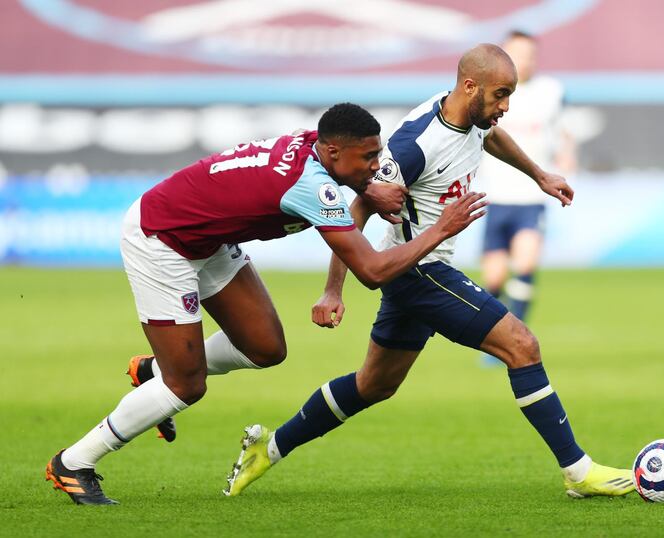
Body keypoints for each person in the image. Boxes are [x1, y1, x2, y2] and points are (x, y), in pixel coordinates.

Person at [223, 45, 634, 499]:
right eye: (501, 95)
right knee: (521, 345)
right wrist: (333, 290)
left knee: (373, 385)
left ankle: (269, 449)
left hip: (414, 270)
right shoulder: (415, 145)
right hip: (420, 271)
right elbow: (358, 208)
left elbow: (489, 136)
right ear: (470, 86)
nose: (506, 107)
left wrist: (538, 174)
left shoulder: (472, 116)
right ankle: (578, 471)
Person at [45, 103, 487, 505]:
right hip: (162, 239)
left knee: (265, 348)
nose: (377, 166)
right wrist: (440, 229)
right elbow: (371, 271)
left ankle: (152, 371)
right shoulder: (312, 185)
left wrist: (367, 188)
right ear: (333, 153)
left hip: (209, 239)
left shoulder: (315, 149)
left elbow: (323, 185)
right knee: (187, 385)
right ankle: (75, 462)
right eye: (369, 159)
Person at [479, 32, 576, 366]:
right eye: (519, 53)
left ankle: (513, 338)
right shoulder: (492, 92)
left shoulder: (551, 91)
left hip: (531, 198)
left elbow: (565, 130)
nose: (527, 59)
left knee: (525, 265)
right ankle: (495, 337)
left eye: (531, 53)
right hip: (494, 197)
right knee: (492, 279)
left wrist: (566, 154)